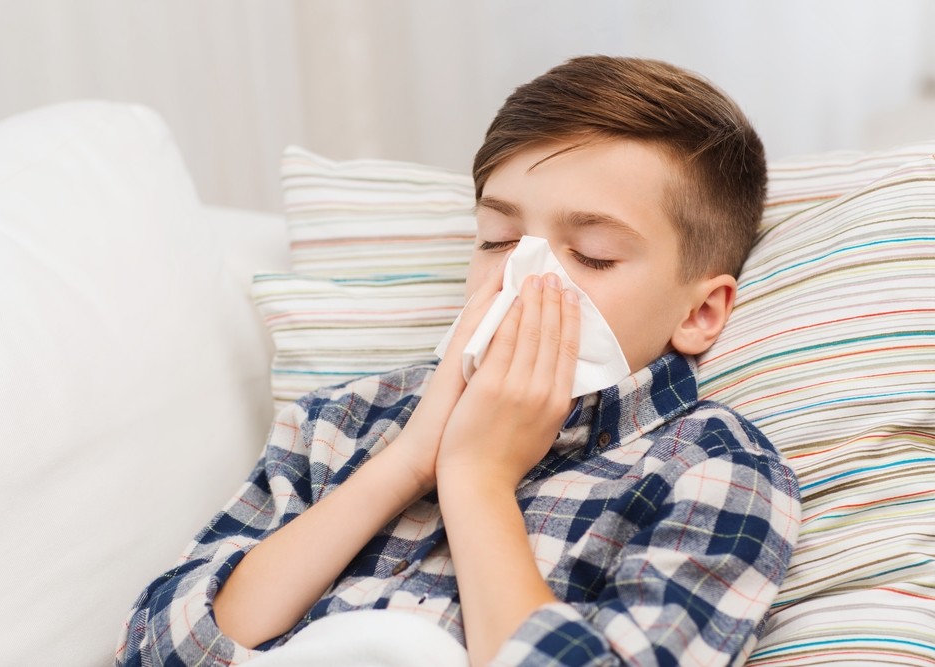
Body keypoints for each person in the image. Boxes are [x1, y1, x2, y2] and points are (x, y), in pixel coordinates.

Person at [115, 55, 801, 667]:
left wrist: (477, 478)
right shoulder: (339, 423)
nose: (526, 280)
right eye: (500, 239)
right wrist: (408, 461)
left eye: (592, 254)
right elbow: (157, 648)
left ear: (699, 312)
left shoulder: (714, 468)